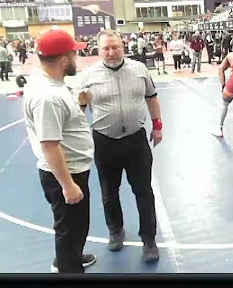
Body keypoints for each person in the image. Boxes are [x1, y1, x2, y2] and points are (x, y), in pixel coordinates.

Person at [78, 29, 163, 263]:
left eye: (115, 47)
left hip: (136, 140)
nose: (111, 52)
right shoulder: (88, 76)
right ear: (98, 50)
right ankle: (115, 231)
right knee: (108, 191)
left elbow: (152, 96)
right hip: (105, 142)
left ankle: (149, 240)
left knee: (143, 191)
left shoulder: (139, 70)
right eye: (106, 48)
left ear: (122, 46)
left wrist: (157, 125)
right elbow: (80, 109)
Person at [22, 29, 96, 273]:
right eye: (74, 54)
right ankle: (68, 267)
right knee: (70, 228)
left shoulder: (48, 83)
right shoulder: (49, 97)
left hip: (72, 169)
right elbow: (50, 145)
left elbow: (63, 127)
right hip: (67, 173)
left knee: (75, 226)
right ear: (65, 59)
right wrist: (67, 185)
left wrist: (80, 105)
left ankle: (72, 255)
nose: (77, 58)